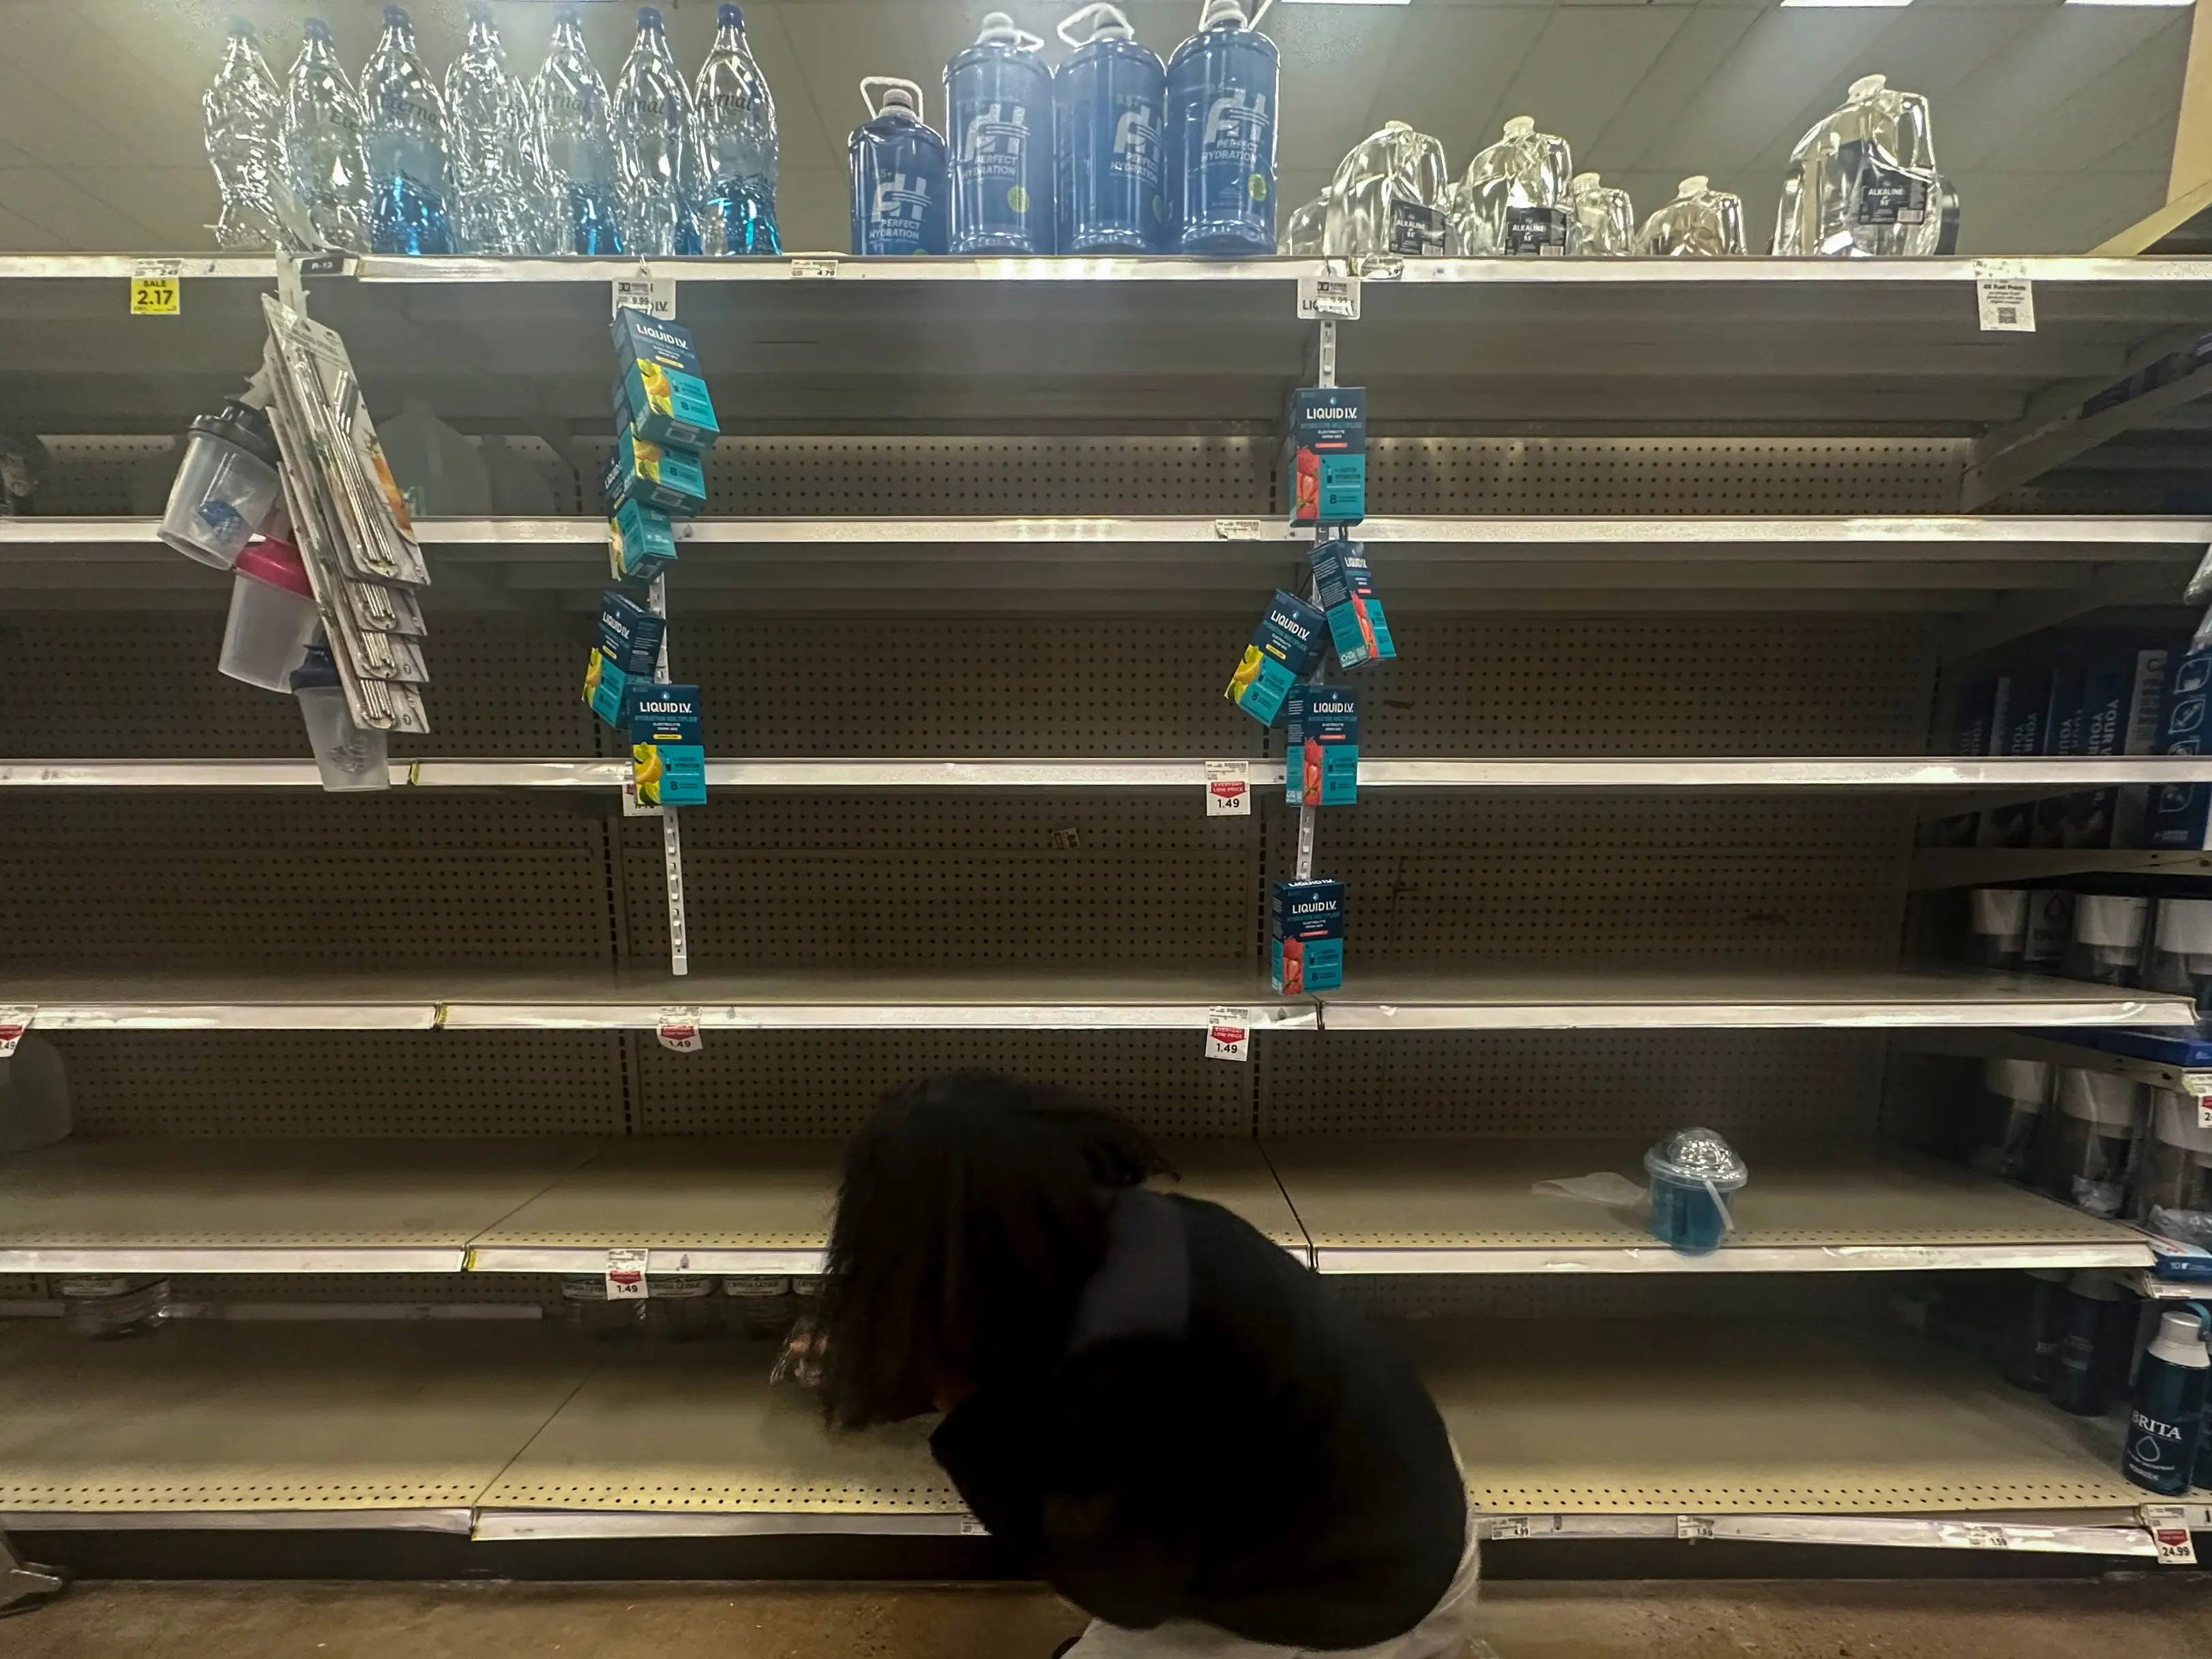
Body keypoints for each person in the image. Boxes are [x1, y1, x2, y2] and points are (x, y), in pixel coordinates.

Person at [807, 1072, 1479, 1658]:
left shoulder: (1127, 1362)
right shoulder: (1139, 1227)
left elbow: (1121, 1585)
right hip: (1387, 1508)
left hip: (1360, 1598)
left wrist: (957, 1401)